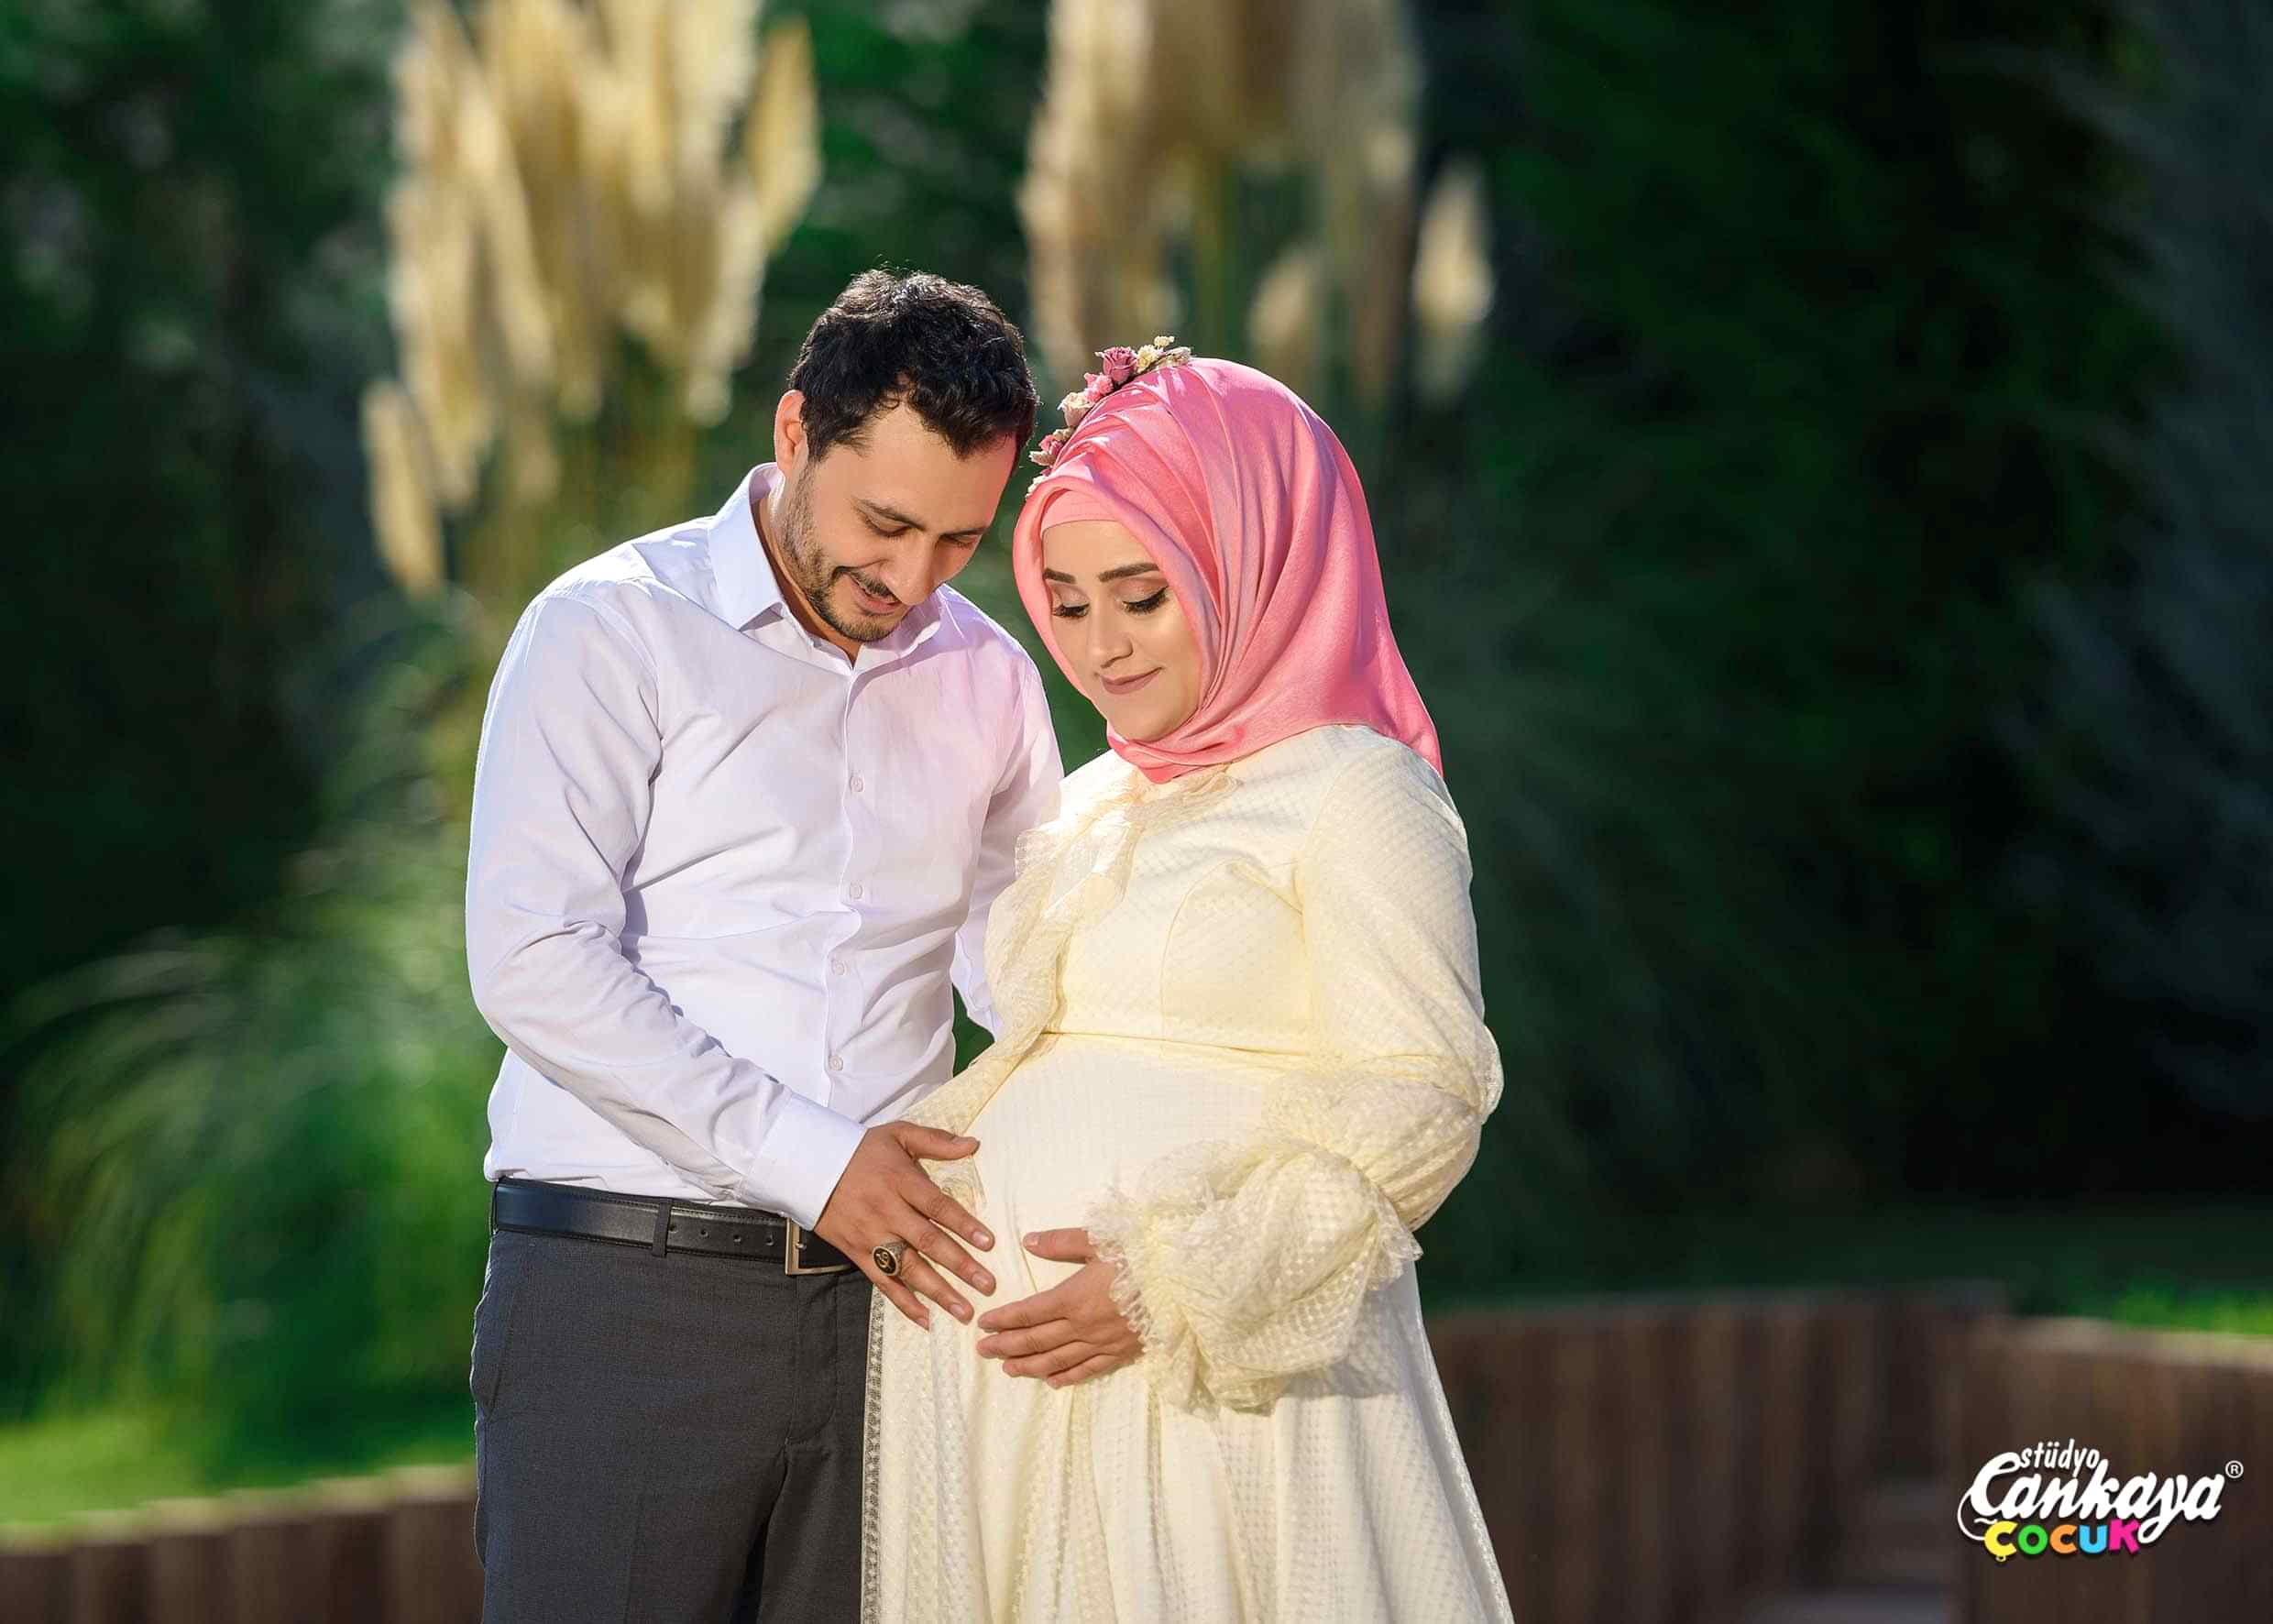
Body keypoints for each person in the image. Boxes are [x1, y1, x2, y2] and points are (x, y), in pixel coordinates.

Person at [862, 345, 1515, 1621]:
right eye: (1065, 602)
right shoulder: (1094, 801)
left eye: (1142, 596)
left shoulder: (1356, 792)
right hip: (1009, 1397)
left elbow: (1423, 1098)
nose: (1099, 648)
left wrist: (1172, 1290)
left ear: (1250, 563)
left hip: (1216, 1382)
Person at [462, 269, 1064, 1623]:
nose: (910, 579)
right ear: (796, 433)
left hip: (897, 1321)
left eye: (958, 541)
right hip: (625, 1304)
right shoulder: (610, 628)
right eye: (884, 523)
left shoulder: (988, 676)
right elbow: (534, 958)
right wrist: (818, 1162)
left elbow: (1029, 977)